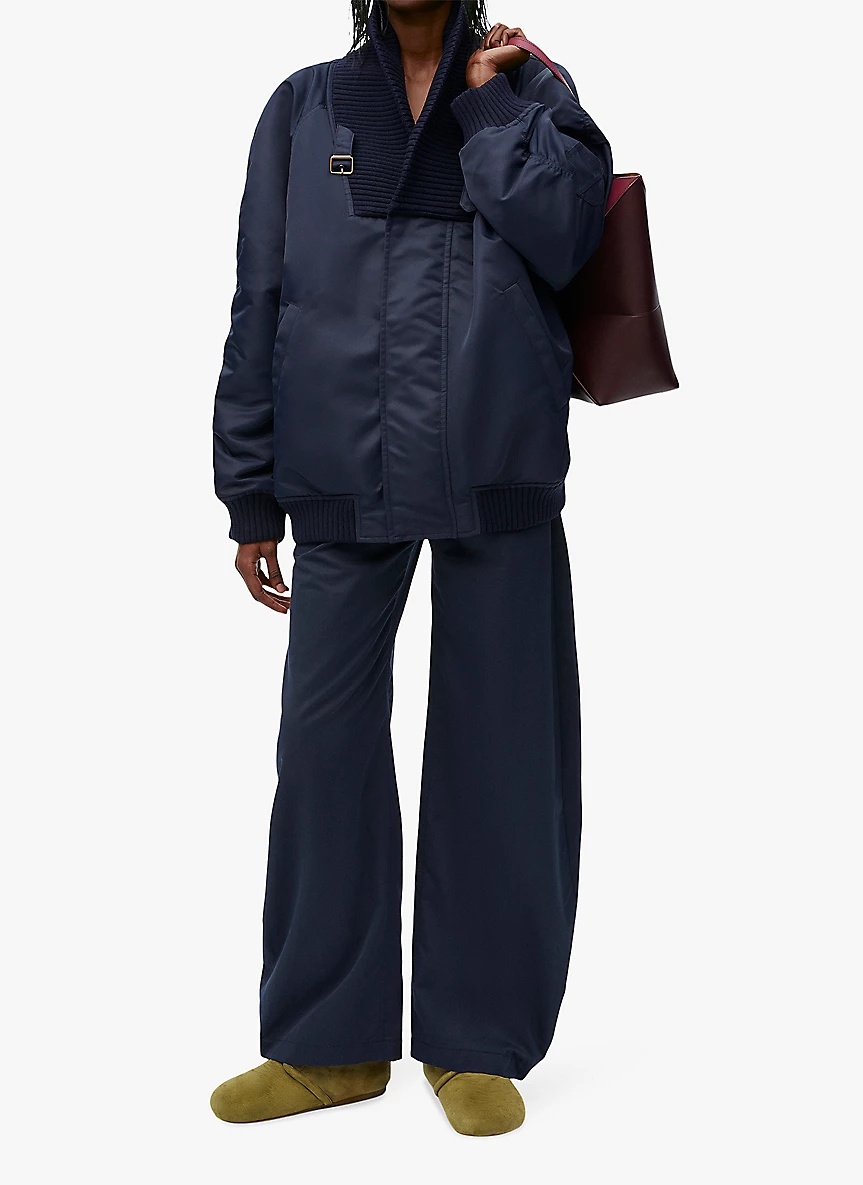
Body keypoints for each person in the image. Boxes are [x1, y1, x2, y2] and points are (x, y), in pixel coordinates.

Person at [210, 0, 612, 1136]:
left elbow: (566, 238)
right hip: (338, 466)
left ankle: (476, 1041)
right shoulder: (304, 106)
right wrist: (248, 486)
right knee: (322, 750)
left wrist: (488, 110)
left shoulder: (531, 93)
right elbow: (260, 295)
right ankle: (325, 1045)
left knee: (501, 754)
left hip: (497, 461)